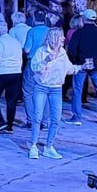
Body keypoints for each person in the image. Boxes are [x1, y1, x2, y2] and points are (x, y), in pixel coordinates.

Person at [29, 27, 81, 159]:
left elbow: (68, 69)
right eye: (61, 36)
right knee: (37, 117)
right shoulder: (41, 51)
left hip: (56, 89)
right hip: (41, 87)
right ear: (54, 38)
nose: (63, 39)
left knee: (56, 119)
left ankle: (49, 147)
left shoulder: (63, 52)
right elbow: (34, 68)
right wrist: (46, 61)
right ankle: (33, 146)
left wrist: (80, 67)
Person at [65, 8, 97, 126]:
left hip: (80, 64)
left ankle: (77, 117)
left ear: (84, 19)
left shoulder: (78, 33)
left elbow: (72, 50)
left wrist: (75, 61)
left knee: (77, 90)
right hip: (96, 65)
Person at [0, 20, 23, 134]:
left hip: (1, 73)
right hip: (16, 73)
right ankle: (10, 125)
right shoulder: (16, 42)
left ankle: (1, 121)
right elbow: (20, 58)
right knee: (11, 100)